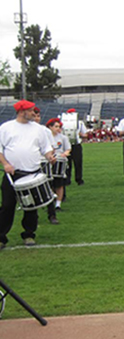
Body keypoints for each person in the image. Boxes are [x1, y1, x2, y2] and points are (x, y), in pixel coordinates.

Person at [0, 100, 55, 249]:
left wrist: (50, 156)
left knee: (31, 208)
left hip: (32, 173)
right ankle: (1, 237)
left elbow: (46, 148)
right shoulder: (6, 128)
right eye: (31, 111)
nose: (34, 113)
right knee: (7, 206)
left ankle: (29, 234)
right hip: (12, 175)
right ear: (22, 111)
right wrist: (5, 164)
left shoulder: (38, 129)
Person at [32, 107, 59, 224]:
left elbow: (51, 147)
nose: (36, 119)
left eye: (38, 116)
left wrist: (49, 156)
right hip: (30, 164)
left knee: (48, 189)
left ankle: (52, 214)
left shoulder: (45, 131)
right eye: (34, 116)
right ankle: (33, 217)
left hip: (43, 163)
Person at [46, 118, 71, 210]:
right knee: (49, 183)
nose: (58, 128)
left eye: (59, 126)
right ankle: (50, 202)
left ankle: (58, 204)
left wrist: (65, 154)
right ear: (50, 127)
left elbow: (68, 149)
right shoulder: (45, 137)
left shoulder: (63, 137)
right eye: (56, 126)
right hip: (48, 161)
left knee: (59, 184)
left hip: (59, 160)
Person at [64, 108, 88, 186]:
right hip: (67, 145)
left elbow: (86, 134)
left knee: (78, 163)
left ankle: (79, 179)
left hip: (77, 144)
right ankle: (67, 180)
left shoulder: (80, 123)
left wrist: (81, 135)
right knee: (67, 163)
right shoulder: (63, 122)